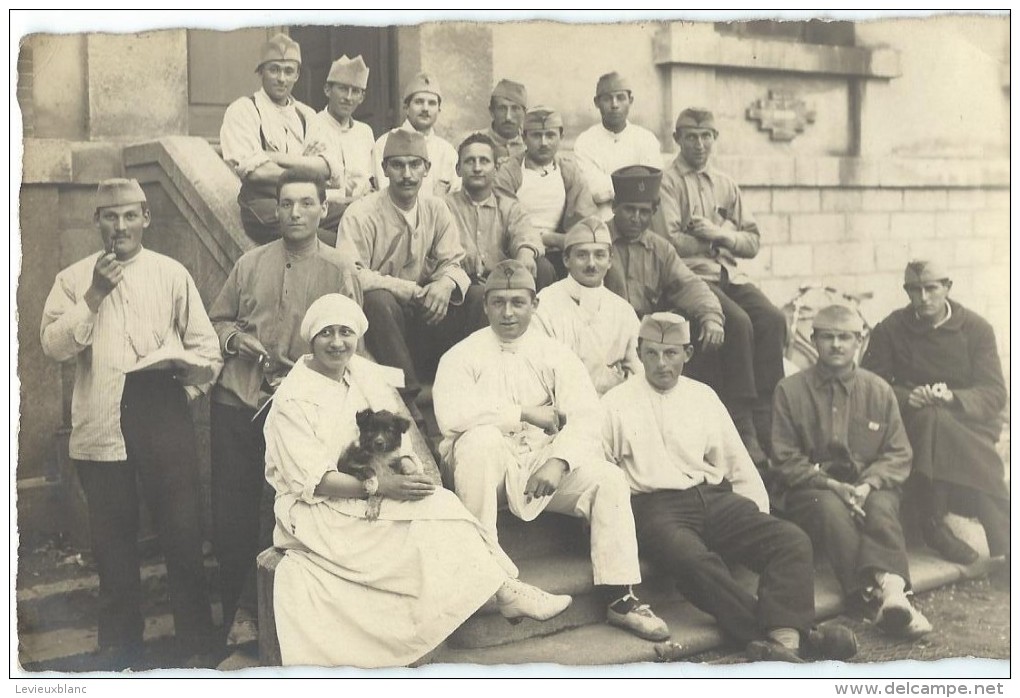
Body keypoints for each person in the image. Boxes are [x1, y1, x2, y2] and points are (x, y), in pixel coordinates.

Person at [265, 294, 571, 668]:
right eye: (326, 333)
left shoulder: (360, 374)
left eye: (346, 332)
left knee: (441, 503)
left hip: (372, 483)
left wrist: (407, 468)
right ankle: (503, 590)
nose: (337, 342)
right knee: (425, 528)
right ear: (310, 340)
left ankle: (504, 589)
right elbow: (313, 480)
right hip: (320, 507)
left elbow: (397, 434)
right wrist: (381, 487)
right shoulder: (293, 398)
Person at [433, 260, 670, 642]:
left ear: (534, 305)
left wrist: (559, 462)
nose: (508, 312)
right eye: (498, 303)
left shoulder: (555, 354)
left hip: (539, 467)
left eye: (518, 303)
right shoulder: (461, 355)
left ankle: (620, 597)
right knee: (480, 440)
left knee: (608, 479)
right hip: (483, 473)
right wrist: (522, 413)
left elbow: (587, 417)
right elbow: (452, 414)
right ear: (485, 306)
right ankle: (494, 580)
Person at [40, 178, 223, 670]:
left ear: (147, 218)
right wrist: (95, 296)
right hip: (101, 421)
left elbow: (208, 349)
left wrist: (183, 391)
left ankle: (197, 647)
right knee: (112, 542)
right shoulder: (72, 279)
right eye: (109, 216)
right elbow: (54, 347)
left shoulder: (171, 273)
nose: (119, 226)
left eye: (129, 216)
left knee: (182, 533)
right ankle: (121, 649)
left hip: (161, 409)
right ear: (96, 221)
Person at [601, 312, 857, 663]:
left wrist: (756, 520)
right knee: (693, 560)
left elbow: (736, 460)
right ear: (639, 351)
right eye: (652, 353)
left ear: (688, 353)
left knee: (791, 540)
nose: (662, 363)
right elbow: (602, 470)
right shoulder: (615, 403)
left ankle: (782, 644)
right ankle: (792, 637)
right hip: (654, 506)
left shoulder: (703, 396)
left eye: (672, 353)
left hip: (712, 496)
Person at [207, 168, 362, 650]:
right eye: (287, 204)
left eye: (306, 204)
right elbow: (217, 320)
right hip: (239, 400)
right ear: (275, 211)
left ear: (323, 210)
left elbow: (353, 334)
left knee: (282, 510)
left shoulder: (339, 269)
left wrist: (313, 363)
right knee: (232, 513)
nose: (295, 213)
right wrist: (242, 342)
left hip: (299, 408)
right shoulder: (250, 262)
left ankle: (279, 617)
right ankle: (238, 616)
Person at [771, 305, 931, 639]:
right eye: (827, 337)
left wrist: (870, 484)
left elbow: (898, 452)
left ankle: (892, 593)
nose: (836, 345)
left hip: (868, 484)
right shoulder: (790, 390)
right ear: (812, 339)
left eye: (845, 337)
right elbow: (785, 458)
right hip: (812, 487)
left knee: (883, 506)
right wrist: (831, 484)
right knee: (830, 508)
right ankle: (874, 596)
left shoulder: (878, 389)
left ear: (860, 340)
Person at [658, 107, 787, 467]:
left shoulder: (725, 183)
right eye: (691, 137)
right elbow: (670, 241)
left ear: (715, 138)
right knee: (739, 322)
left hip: (729, 275)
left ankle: (768, 416)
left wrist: (718, 234)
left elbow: (752, 242)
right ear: (677, 139)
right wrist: (722, 242)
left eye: (706, 137)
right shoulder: (667, 181)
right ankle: (743, 421)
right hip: (690, 277)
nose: (699, 145)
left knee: (773, 319)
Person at [862, 260, 1010, 566]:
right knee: (931, 419)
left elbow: (995, 393)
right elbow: (869, 385)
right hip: (914, 422)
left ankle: (932, 521)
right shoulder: (891, 328)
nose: (924, 297)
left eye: (931, 288)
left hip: (968, 421)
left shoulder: (976, 329)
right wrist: (906, 396)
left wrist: (954, 397)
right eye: (915, 290)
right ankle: (1002, 541)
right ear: (907, 292)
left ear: (947, 288)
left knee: (941, 422)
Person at [339, 128, 474, 399]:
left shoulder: (436, 208)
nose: (407, 174)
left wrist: (446, 283)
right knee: (378, 300)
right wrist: (402, 287)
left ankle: (469, 385)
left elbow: (454, 261)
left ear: (427, 169)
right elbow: (350, 273)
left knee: (477, 297)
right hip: (383, 324)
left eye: (415, 165)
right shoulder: (361, 213)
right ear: (385, 169)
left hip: (426, 314)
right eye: (398, 165)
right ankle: (408, 397)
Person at [219, 33, 340, 244]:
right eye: (274, 69)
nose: (281, 78)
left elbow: (328, 168)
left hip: (307, 201)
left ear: (297, 75)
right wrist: (306, 165)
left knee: (357, 219)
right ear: (261, 72)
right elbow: (257, 172)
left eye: (288, 71)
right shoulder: (244, 110)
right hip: (265, 204)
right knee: (334, 243)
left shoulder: (307, 115)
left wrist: (272, 156)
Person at [602, 165, 726, 357]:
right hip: (603, 334)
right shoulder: (597, 239)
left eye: (644, 212)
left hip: (647, 339)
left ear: (654, 211)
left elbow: (689, 284)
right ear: (614, 206)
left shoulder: (660, 248)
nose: (636, 218)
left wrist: (711, 316)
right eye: (629, 209)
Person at [533, 215, 642, 395]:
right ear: (566, 260)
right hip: (562, 408)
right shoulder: (545, 305)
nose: (591, 264)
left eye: (599, 255)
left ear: (610, 261)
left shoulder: (623, 311)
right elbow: (539, 371)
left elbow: (639, 371)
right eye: (582, 255)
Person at [444, 132, 555, 295]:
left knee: (543, 266)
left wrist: (525, 252)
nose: (477, 168)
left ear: (496, 169)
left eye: (484, 161)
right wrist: (457, 254)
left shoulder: (507, 205)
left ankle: (542, 317)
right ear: (458, 169)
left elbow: (525, 232)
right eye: (470, 161)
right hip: (465, 287)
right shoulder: (444, 206)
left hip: (504, 282)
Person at [493, 106, 598, 278]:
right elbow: (505, 218)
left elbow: (584, 217)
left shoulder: (568, 170)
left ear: (561, 137)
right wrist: (549, 239)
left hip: (562, 248)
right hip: (520, 248)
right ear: (523, 137)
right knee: (543, 269)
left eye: (550, 135)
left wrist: (572, 241)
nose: (543, 143)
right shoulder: (510, 171)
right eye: (536, 135)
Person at [572, 72, 662, 221]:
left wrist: (610, 185)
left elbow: (651, 188)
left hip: (640, 222)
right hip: (601, 223)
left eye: (620, 98)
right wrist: (635, 183)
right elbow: (594, 191)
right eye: (607, 98)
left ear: (630, 100)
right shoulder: (585, 141)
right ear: (596, 102)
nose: (614, 105)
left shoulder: (646, 139)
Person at [305, 55, 377, 222]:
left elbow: (371, 181)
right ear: (327, 90)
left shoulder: (365, 132)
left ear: (362, 97)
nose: (349, 97)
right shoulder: (312, 124)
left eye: (355, 91)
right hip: (326, 213)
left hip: (364, 211)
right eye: (343, 89)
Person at [372, 72, 459, 199]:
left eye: (432, 103)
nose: (425, 108)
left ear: (439, 110)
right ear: (406, 107)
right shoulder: (385, 144)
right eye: (419, 102)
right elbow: (384, 193)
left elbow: (455, 196)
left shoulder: (447, 151)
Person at [484, 78, 528, 166]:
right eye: (502, 109)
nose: (508, 117)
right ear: (492, 112)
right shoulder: (472, 143)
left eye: (515, 109)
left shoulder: (531, 147)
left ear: (524, 113)